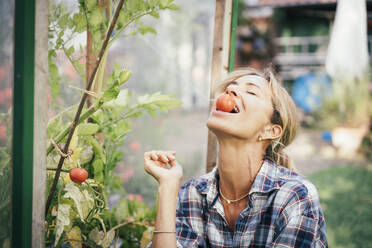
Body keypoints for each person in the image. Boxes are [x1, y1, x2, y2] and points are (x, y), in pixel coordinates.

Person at [144, 68, 328, 247]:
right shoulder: (190, 195)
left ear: (270, 130)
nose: (230, 90)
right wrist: (168, 187)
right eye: (231, 87)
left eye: (251, 92)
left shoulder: (295, 196)